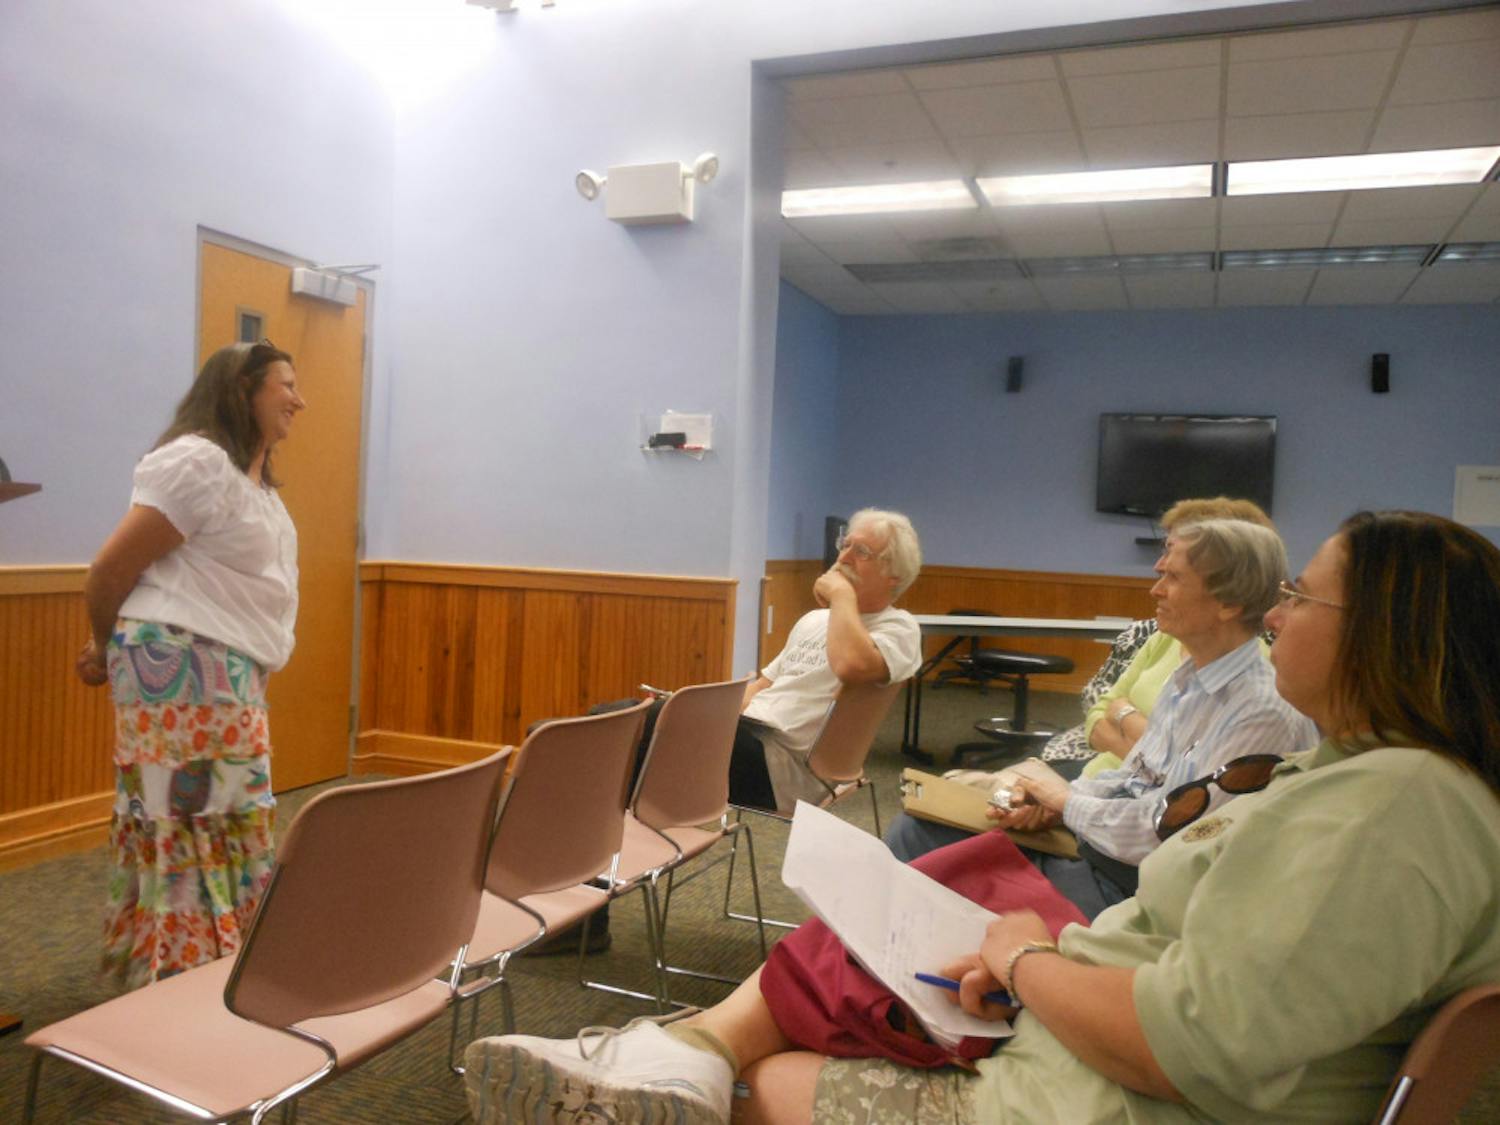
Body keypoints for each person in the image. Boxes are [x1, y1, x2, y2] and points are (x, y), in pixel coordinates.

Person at [465, 510, 1500, 1124]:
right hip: (1093, 1027)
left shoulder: (1391, 807)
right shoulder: (1382, 784)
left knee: (865, 954)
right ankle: (684, 1052)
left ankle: (682, 1055)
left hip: (1086, 1092)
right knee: (933, 871)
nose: (1281, 612)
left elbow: (1196, 1038)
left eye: (1304, 598)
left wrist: (1027, 965)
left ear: (1387, 638)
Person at [884, 518, 1315, 918]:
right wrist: (1057, 800)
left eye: (1173, 577)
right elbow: (1134, 779)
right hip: (1102, 852)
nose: (1156, 590)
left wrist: (1067, 803)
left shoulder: (1261, 712)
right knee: (921, 827)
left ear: (1229, 604)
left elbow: (1166, 839)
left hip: (1133, 894)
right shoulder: (1190, 678)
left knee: (926, 861)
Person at [75, 340, 305, 989]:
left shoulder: (249, 480)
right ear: (242, 390)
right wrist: (100, 647)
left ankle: (216, 958)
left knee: (229, 815)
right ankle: (186, 970)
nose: (299, 399)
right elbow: (109, 570)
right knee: (188, 817)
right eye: (284, 384)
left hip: (221, 665)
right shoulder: (197, 461)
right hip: (178, 663)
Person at [1041, 495, 1276, 769]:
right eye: (1166, 549)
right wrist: (1149, 752)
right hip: (1100, 784)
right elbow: (1098, 711)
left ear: (1230, 597)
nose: (1158, 570)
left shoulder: (1251, 682)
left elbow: (1181, 771)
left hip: (1119, 796)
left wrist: (1124, 715)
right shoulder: (1166, 638)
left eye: (1176, 562)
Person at [736, 507, 922, 812]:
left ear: (894, 575)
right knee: (645, 718)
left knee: (650, 737)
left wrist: (842, 596)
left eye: (861, 551)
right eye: (845, 545)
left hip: (790, 771)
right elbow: (761, 686)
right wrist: (713, 716)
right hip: (749, 737)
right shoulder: (814, 620)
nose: (844, 557)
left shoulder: (900, 629)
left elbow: (849, 666)